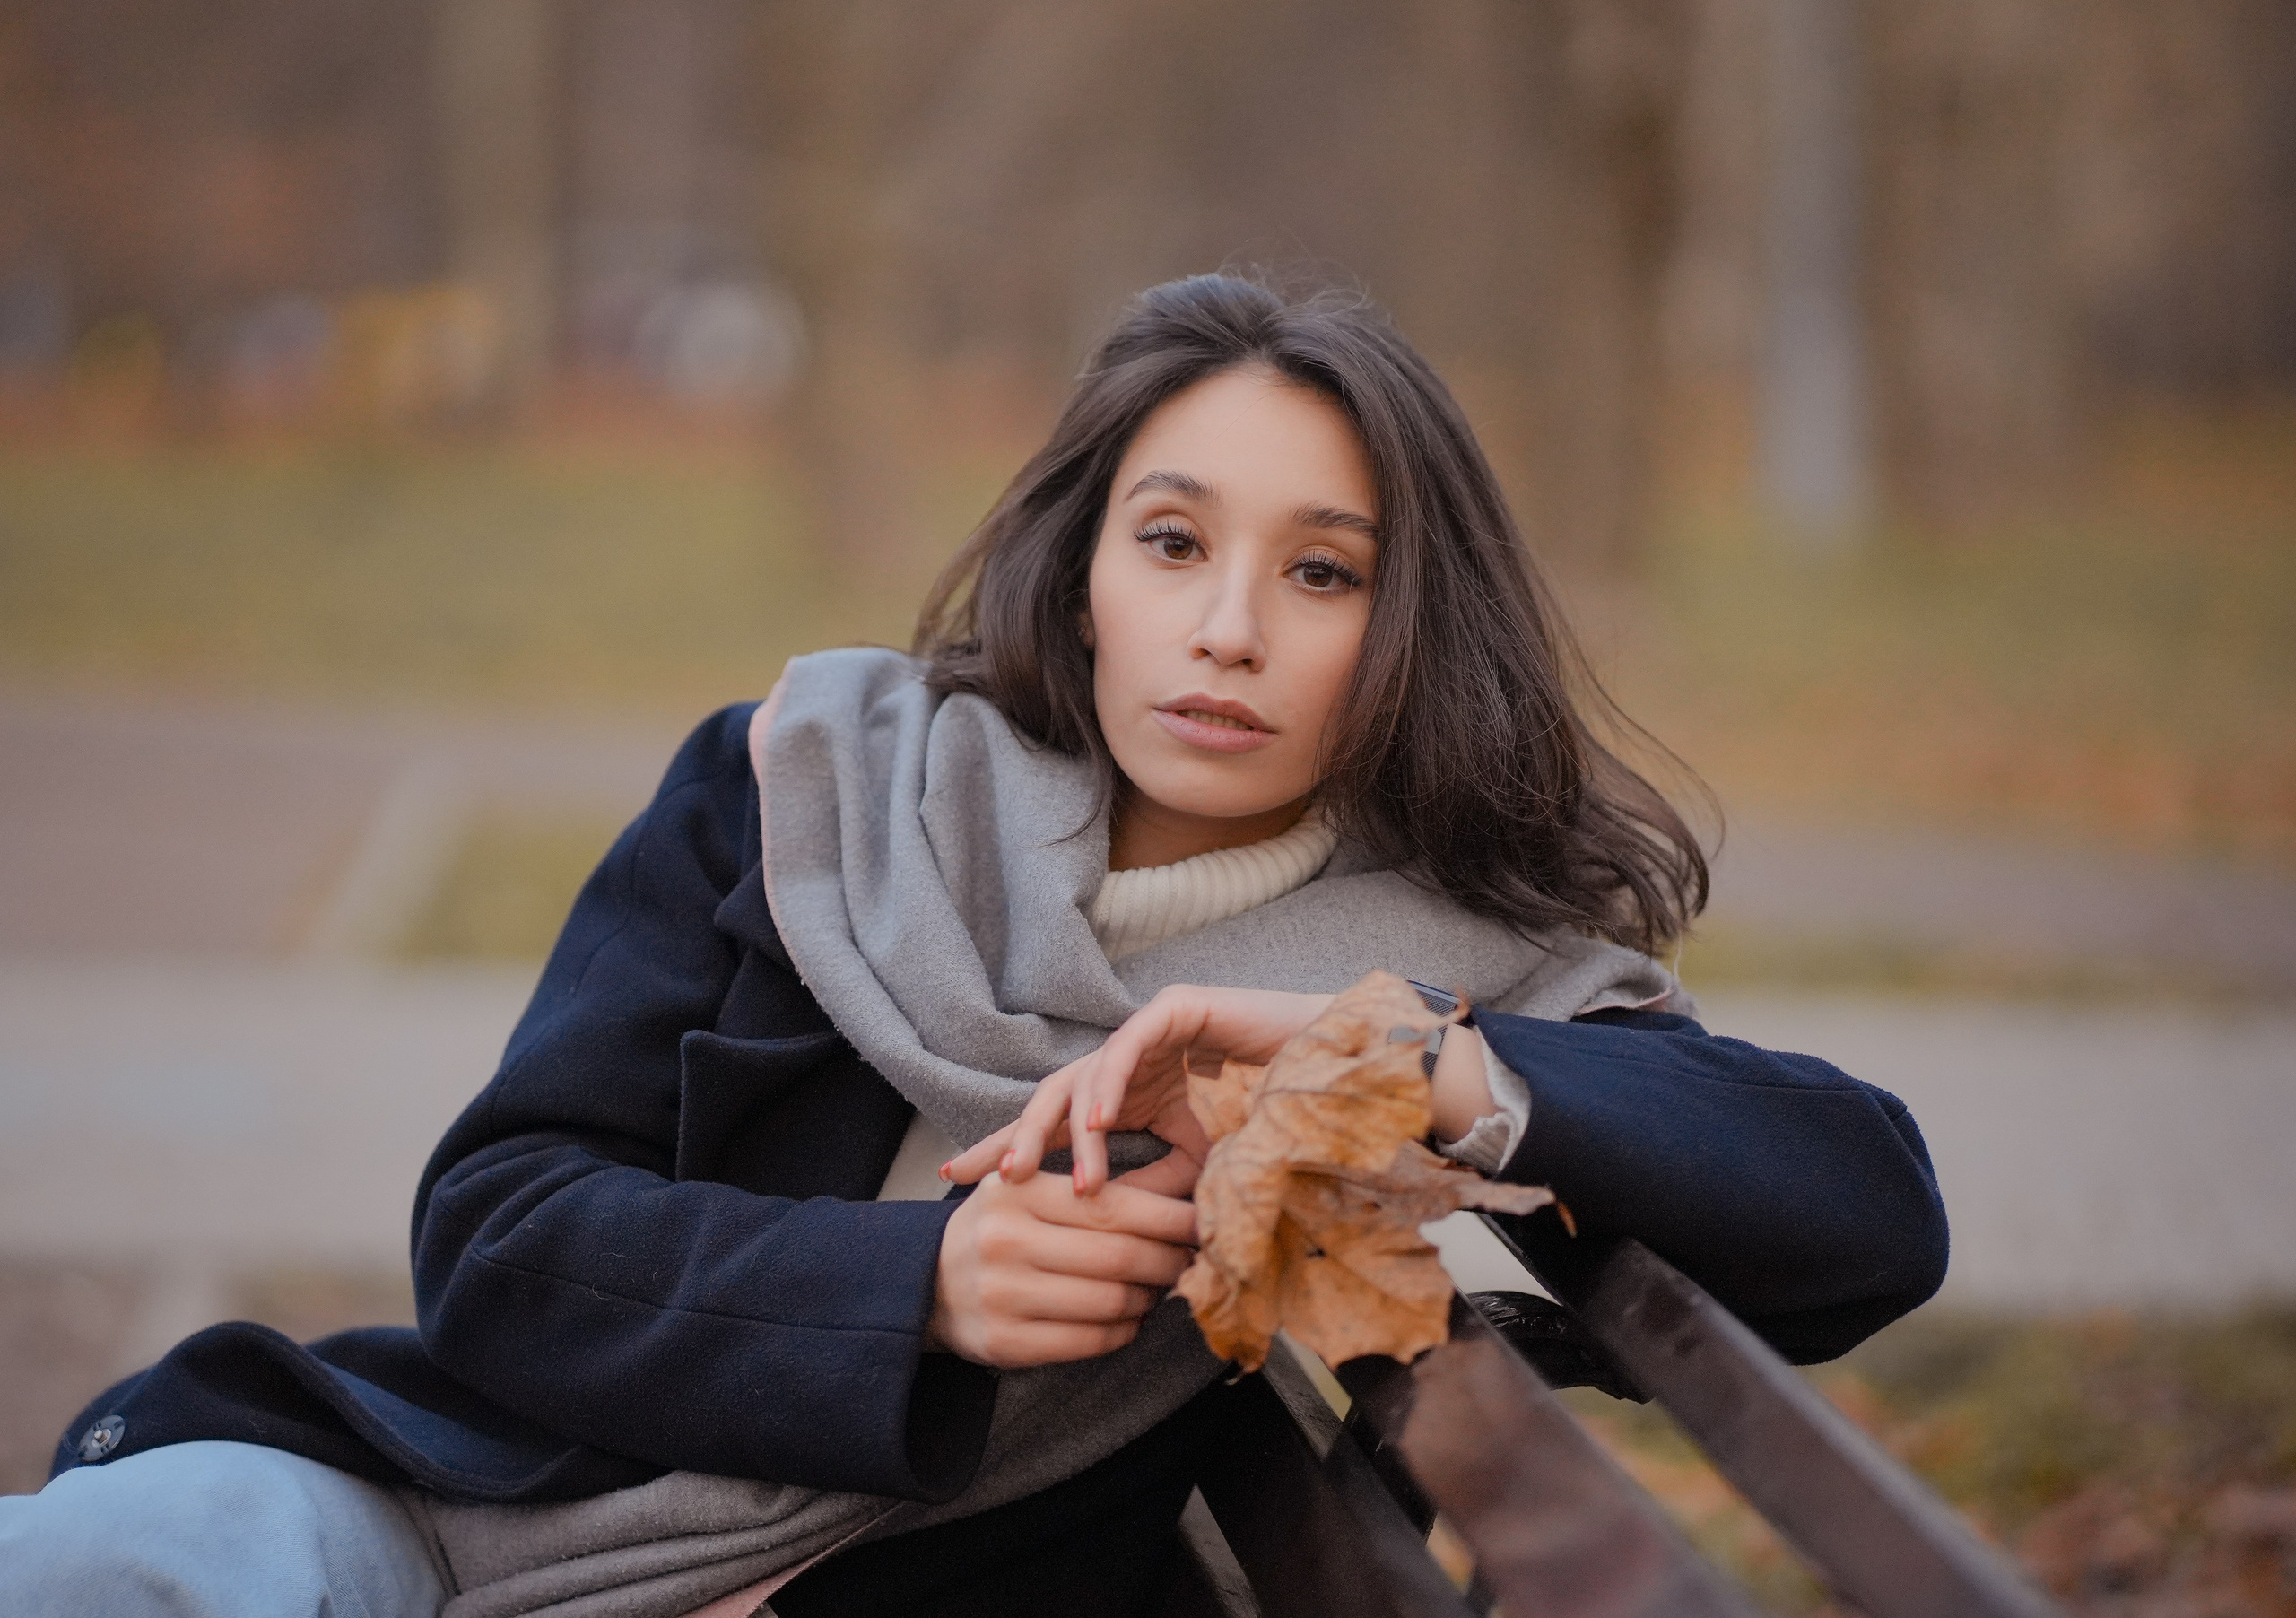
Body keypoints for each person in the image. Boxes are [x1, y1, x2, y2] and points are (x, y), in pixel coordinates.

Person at [0, 274, 1948, 1618]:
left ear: (1411, 622)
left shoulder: (1459, 967)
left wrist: (1400, 1059)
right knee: (128, 1557)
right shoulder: (815, 787)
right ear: (1084, 565)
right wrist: (916, 1277)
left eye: (1322, 569)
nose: (1225, 627)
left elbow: (1863, 1215)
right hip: (451, 1513)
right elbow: (498, 1235)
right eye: (1173, 541)